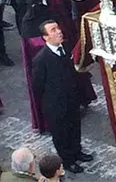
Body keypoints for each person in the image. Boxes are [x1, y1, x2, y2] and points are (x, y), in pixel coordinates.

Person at [31, 20, 92, 173]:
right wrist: (51, 101)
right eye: (53, 30)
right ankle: (67, 160)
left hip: (71, 98)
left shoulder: (65, 47)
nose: (59, 31)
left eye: (58, 28)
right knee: (61, 134)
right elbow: (37, 86)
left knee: (74, 126)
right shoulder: (41, 59)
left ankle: (77, 151)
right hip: (55, 105)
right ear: (45, 37)